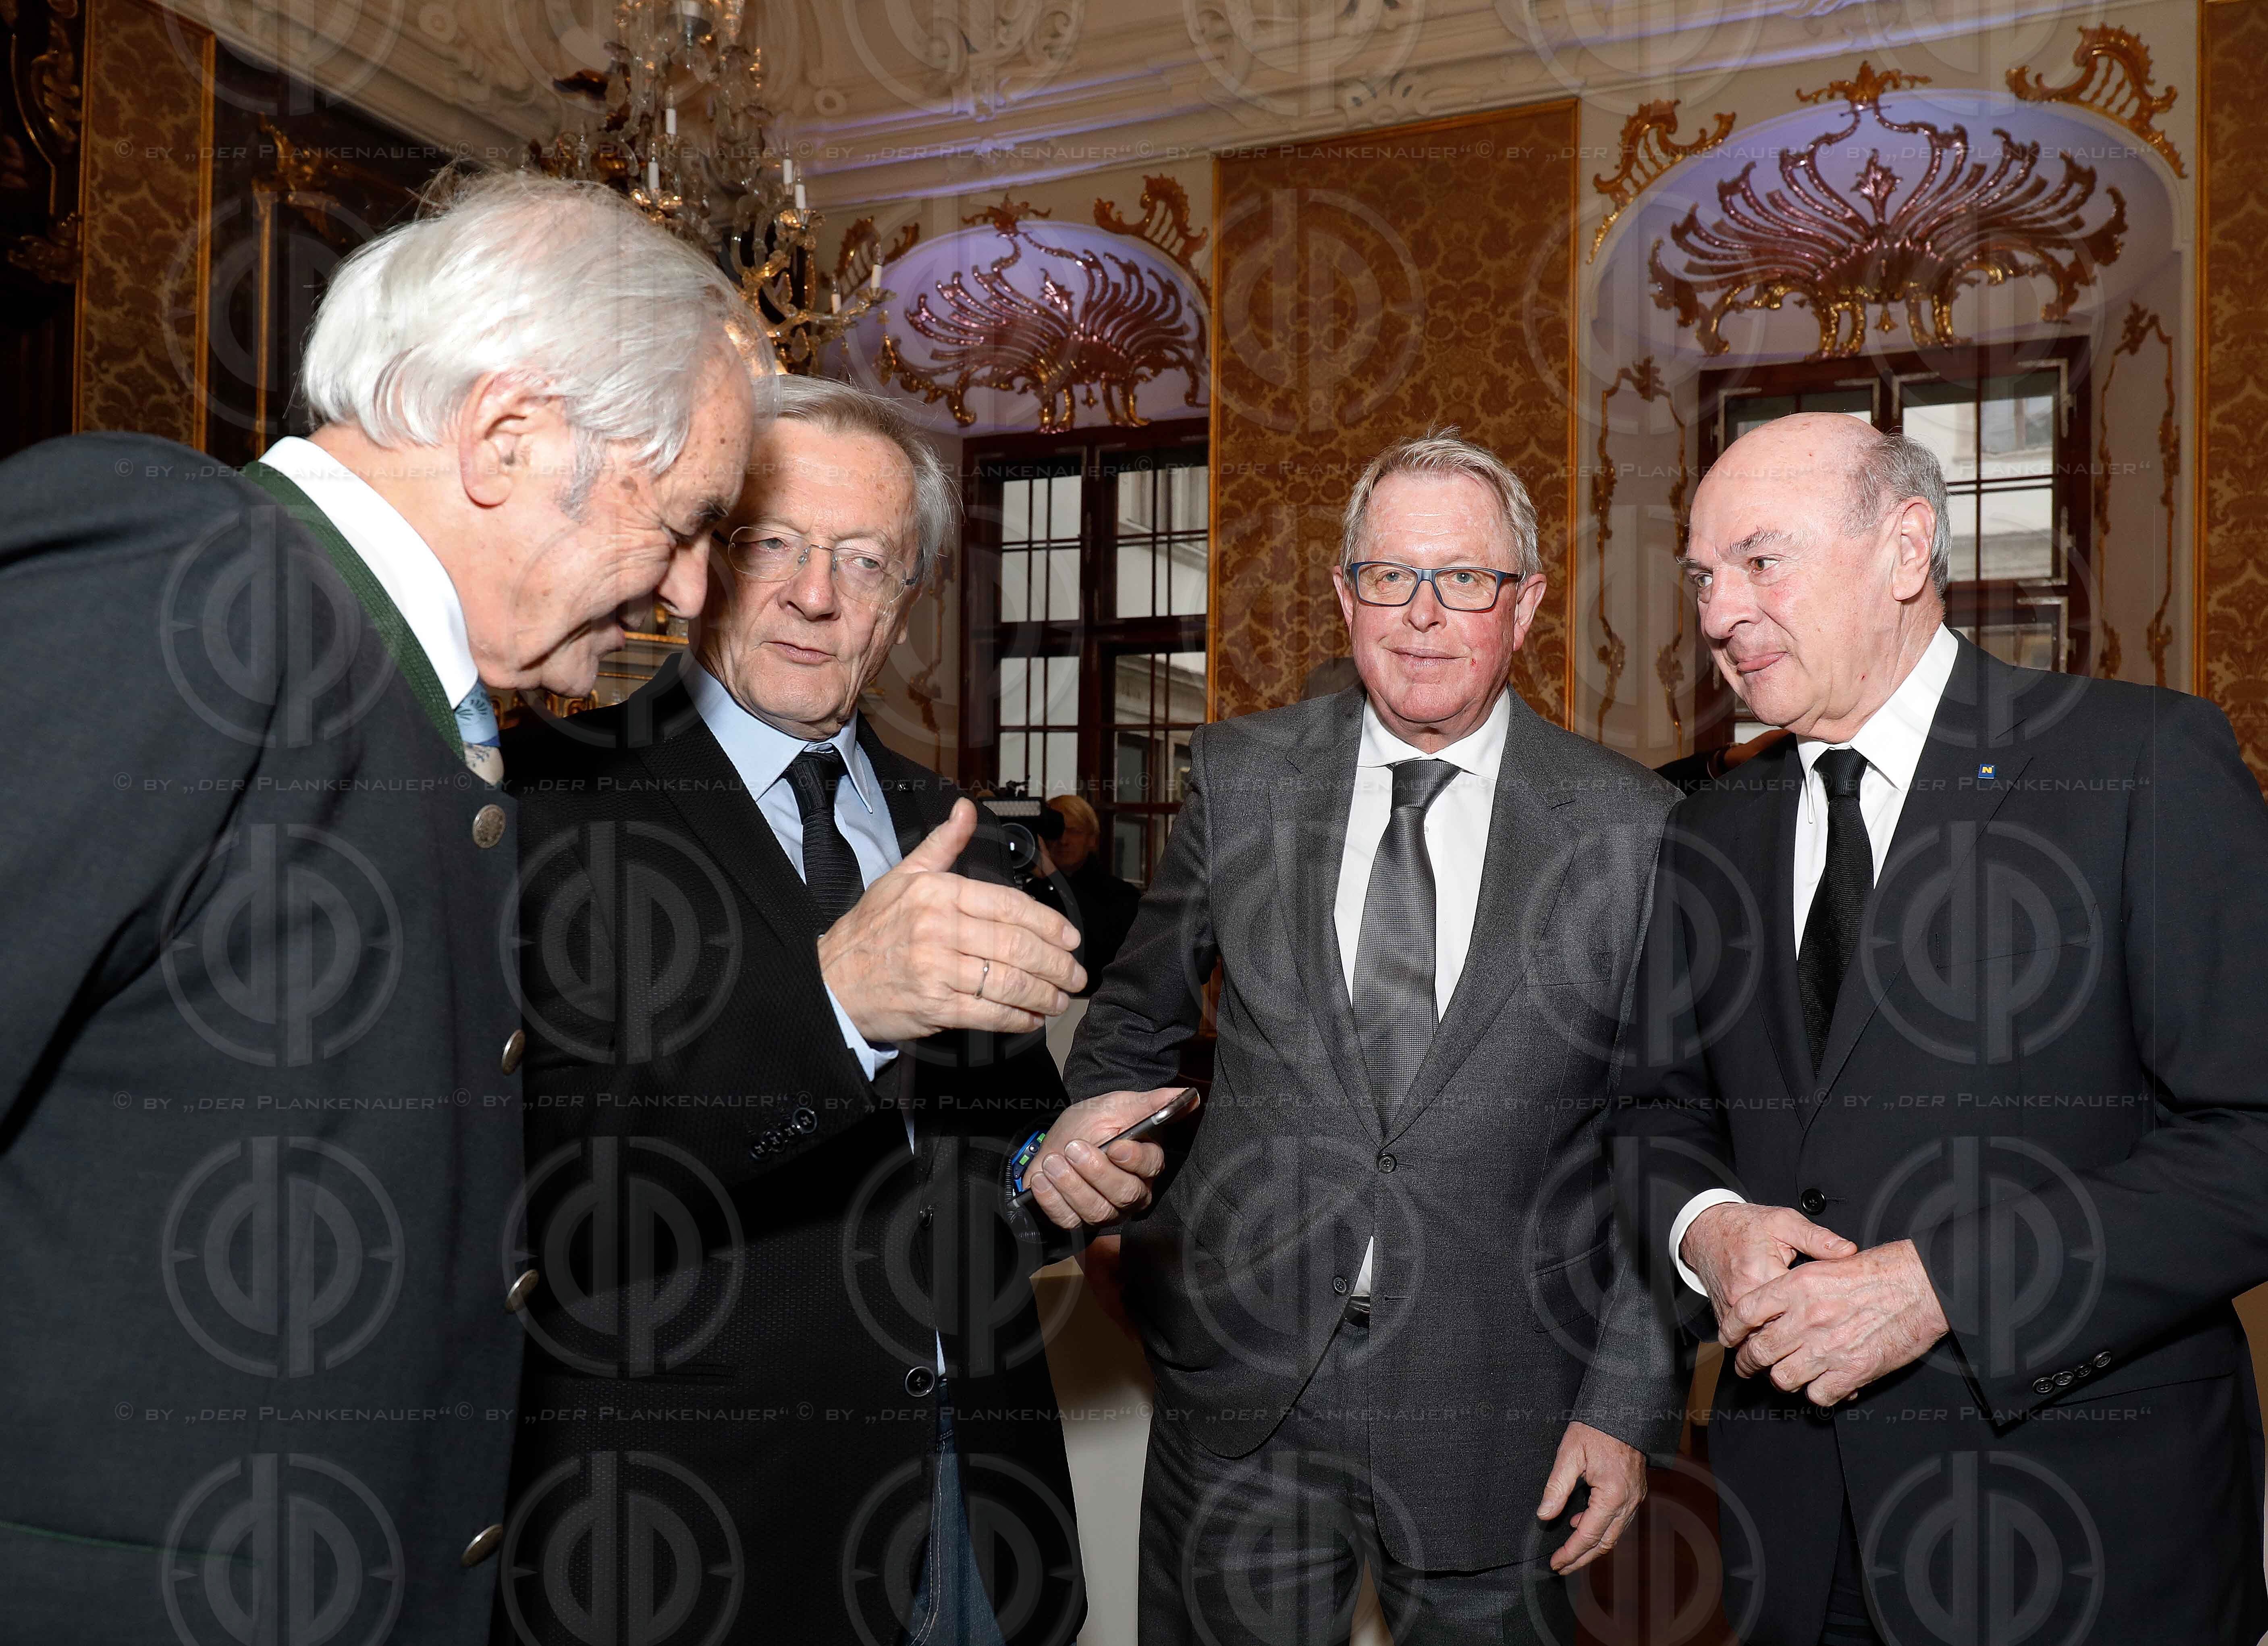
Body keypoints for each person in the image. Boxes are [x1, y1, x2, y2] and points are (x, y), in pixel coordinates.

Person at [0, 170, 755, 1642]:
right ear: (508, 436)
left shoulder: (405, 699)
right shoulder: (195, 580)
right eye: (682, 521)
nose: (690, 585)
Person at [495, 376, 1154, 1646]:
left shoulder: (958, 833)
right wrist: (835, 1000)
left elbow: (982, 1165)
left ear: (903, 605)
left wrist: (1055, 1173)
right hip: (703, 1522)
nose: (815, 593)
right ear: (698, 560)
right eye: (774, 545)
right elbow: (545, 1171)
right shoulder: (548, 809)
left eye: (864, 560)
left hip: (977, 1497)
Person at [1612, 413, 2268, 1645]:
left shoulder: (2135, 764)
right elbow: (1654, 1110)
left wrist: (1942, 1287)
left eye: (1762, 559)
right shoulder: (1702, 829)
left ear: (1905, 547)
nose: (1716, 611)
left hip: (2087, 1524)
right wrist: (1710, 1230)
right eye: (1702, 575)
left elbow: (2249, 1139)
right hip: (1795, 1538)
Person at [1038, 430, 1687, 1644]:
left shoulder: (1630, 826)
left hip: (1505, 1407)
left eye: (1466, 579)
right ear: (1344, 595)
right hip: (1242, 1395)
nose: (1425, 615)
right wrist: (1119, 1216)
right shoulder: (1242, 775)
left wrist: (1625, 1398)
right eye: (1390, 575)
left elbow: (1664, 1137)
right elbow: (1128, 1030)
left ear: (1527, 601)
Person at [1044, 792, 1142, 984]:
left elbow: (1094, 951)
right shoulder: (1029, 888)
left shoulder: (1122, 897)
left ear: (1092, 840)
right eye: (1056, 831)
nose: (1064, 841)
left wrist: (1051, 875)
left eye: (1074, 831)